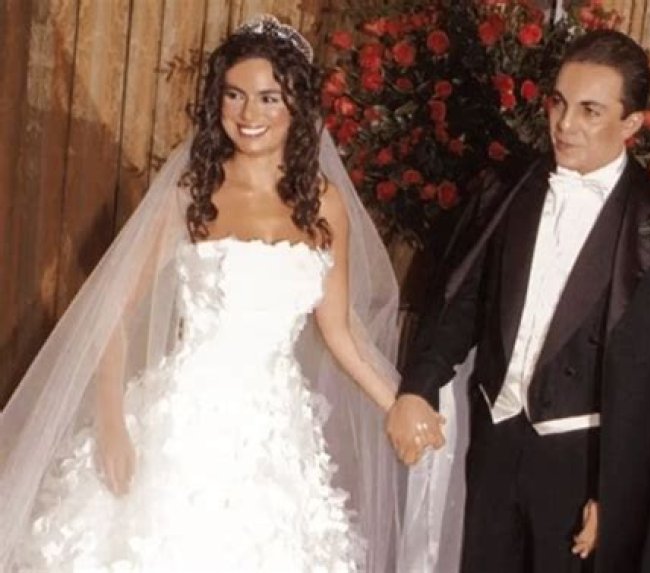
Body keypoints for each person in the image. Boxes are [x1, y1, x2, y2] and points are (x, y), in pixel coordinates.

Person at [1, 15, 406, 571]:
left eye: (268, 98)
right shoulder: (192, 195)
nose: (248, 114)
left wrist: (399, 404)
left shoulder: (324, 203)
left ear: (297, 105)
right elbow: (109, 313)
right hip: (182, 427)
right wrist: (112, 420)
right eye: (234, 95)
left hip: (274, 438)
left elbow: (339, 334)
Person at [387, 29, 650, 572]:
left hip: (581, 471)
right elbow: (463, 302)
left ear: (631, 123)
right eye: (559, 103)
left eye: (590, 111)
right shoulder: (507, 188)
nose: (564, 124)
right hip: (495, 446)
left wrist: (617, 498)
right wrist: (418, 387)